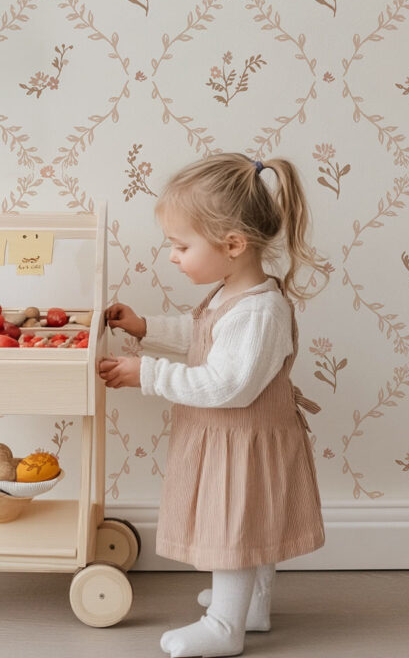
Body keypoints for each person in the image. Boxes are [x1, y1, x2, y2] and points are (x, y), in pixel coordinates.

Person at [98, 153, 328, 658]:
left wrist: (147, 374)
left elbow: (228, 385)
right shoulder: (231, 296)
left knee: (233, 529)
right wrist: (145, 328)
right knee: (249, 525)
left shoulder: (260, 312)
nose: (173, 256)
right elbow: (201, 336)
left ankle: (225, 625)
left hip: (241, 442)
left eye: (182, 246)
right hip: (234, 439)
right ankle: (253, 606)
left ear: (233, 244)